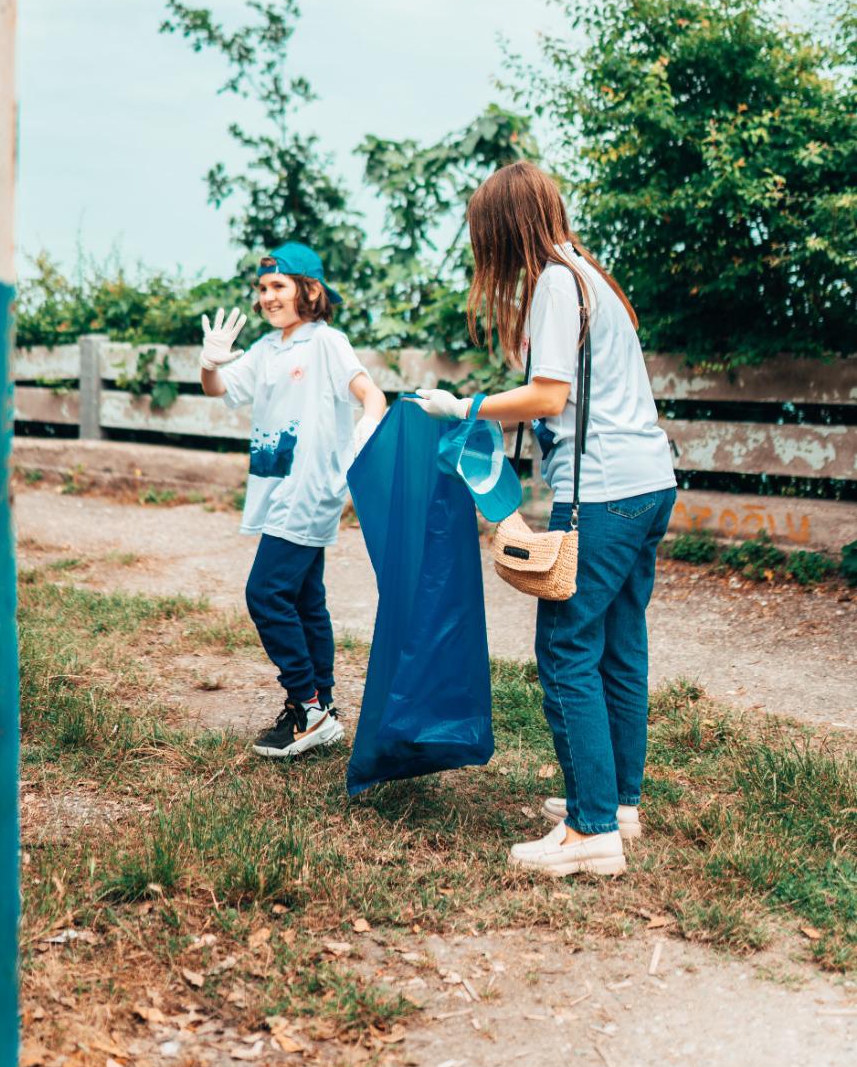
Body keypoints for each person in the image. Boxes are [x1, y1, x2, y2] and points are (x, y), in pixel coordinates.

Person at [413, 162, 676, 877]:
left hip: (601, 494)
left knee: (564, 650)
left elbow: (547, 397)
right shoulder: (589, 274)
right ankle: (616, 802)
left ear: (501, 230)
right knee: (618, 644)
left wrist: (462, 407)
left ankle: (591, 832)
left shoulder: (556, 284)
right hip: (649, 484)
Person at [199, 241, 387, 759]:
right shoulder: (266, 350)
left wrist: (364, 435)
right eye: (262, 289)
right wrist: (209, 364)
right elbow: (218, 389)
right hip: (276, 485)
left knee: (266, 593)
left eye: (278, 286)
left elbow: (372, 394)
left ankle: (305, 707)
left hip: (309, 489)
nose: (267, 297)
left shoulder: (326, 343)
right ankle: (321, 705)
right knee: (305, 599)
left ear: (309, 289)